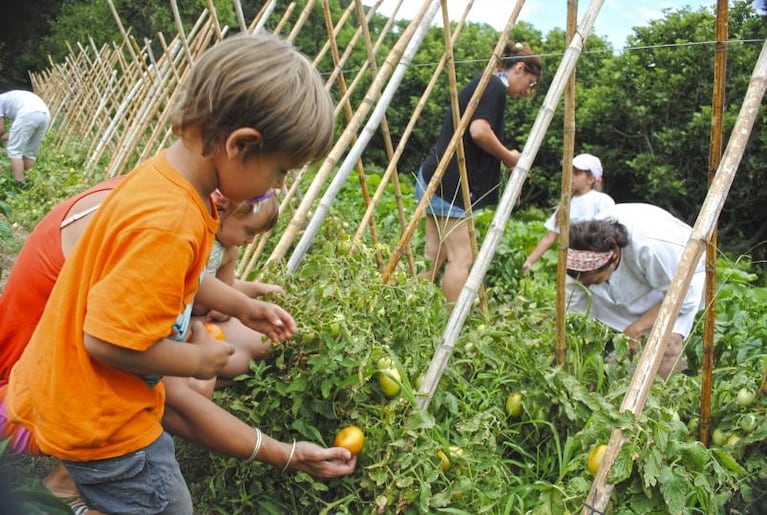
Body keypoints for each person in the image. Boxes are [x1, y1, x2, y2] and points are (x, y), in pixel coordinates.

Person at [2, 33, 354, 515]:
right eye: (280, 172)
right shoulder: (171, 222)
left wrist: (243, 306)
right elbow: (107, 344)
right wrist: (199, 361)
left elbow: (180, 278)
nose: (278, 185)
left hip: (72, 394)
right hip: (105, 420)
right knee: (168, 506)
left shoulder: (164, 182)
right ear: (241, 146)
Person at [415, 41, 542, 306]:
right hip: (449, 184)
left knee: (433, 254)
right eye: (530, 84)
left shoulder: (485, 84)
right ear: (519, 68)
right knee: (462, 258)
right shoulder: (494, 86)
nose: (526, 93)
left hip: (436, 176)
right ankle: (451, 324)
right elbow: (479, 131)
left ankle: (411, 309)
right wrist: (511, 158)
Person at [565, 203, 706, 378]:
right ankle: (616, 380)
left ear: (614, 257)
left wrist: (635, 329)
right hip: (641, 279)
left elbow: (682, 298)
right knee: (612, 343)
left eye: (595, 280)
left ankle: (666, 396)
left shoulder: (651, 248)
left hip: (681, 275)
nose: (591, 286)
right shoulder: (579, 257)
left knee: (667, 344)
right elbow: (571, 310)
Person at [194, 189, 286, 386]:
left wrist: (259, 289)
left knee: (263, 344)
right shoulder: (198, 235)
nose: (250, 240)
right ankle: (192, 380)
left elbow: (227, 286)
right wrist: (227, 304)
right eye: (249, 231)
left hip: (203, 318)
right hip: (178, 318)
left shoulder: (229, 251)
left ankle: (207, 379)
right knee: (238, 362)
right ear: (224, 211)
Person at [522, 153, 615, 273]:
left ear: (591, 179)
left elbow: (611, 234)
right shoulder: (565, 203)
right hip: (571, 265)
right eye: (569, 172)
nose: (571, 176)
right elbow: (550, 236)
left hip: (597, 265)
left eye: (576, 173)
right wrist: (530, 261)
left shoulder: (602, 201)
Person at [0, 90, 51, 187]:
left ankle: (20, 184)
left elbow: (0, 129)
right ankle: (28, 181)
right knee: (30, 152)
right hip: (44, 114)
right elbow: (15, 134)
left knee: (14, 150)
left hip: (28, 112)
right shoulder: (7, 97)